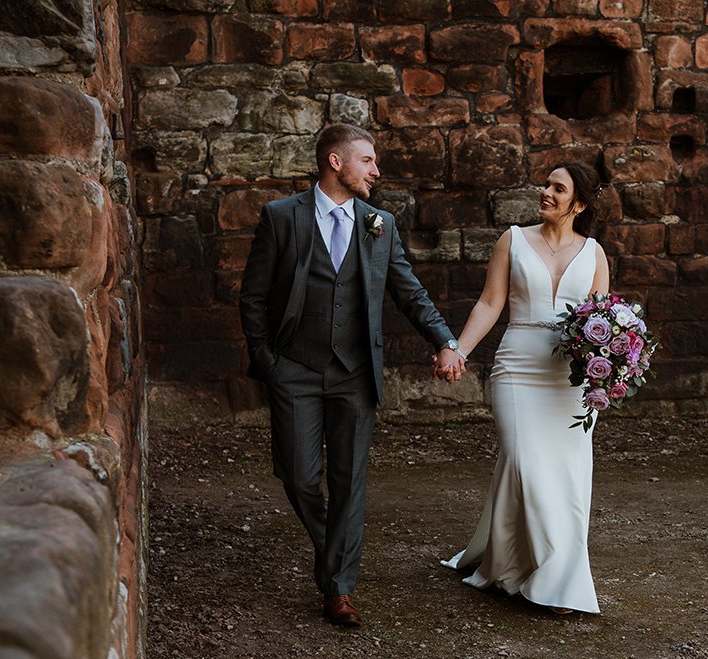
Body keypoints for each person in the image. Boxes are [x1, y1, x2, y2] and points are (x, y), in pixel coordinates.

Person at [239, 124, 465, 628]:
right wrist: (269, 363)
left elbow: (410, 291)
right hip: (293, 369)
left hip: (355, 374)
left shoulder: (378, 224)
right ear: (335, 162)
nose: (376, 171)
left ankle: (338, 588)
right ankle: (332, 548)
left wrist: (445, 341)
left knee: (349, 481)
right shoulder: (282, 217)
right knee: (298, 477)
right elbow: (253, 296)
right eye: (367, 160)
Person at [441, 163, 610, 615]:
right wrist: (458, 349)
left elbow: (603, 320)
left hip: (569, 379)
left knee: (569, 475)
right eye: (546, 185)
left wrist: (608, 367)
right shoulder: (512, 240)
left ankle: (555, 576)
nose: (546, 193)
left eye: (558, 188)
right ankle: (541, 573)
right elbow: (490, 302)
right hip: (517, 368)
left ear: (578, 204)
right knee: (524, 462)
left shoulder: (594, 254)